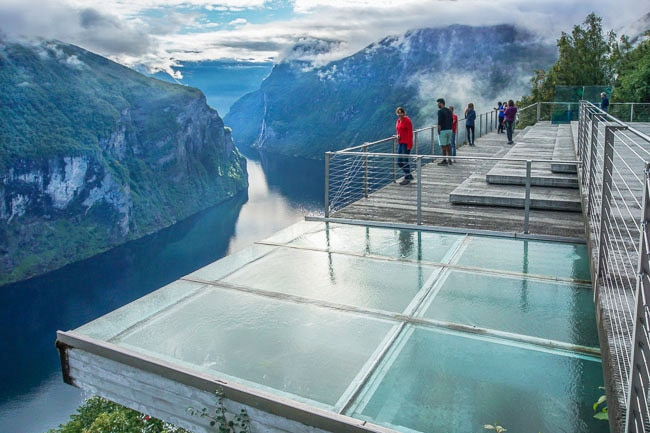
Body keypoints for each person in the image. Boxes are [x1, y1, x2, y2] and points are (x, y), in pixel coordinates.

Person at [395, 106, 414, 185]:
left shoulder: (407, 121)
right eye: (398, 113)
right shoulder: (398, 121)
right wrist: (397, 136)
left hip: (406, 143)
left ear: (404, 113)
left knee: (405, 161)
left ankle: (407, 177)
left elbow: (410, 133)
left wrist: (409, 145)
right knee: (399, 161)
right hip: (400, 142)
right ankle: (408, 175)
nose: (400, 115)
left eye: (401, 113)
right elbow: (398, 130)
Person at [436, 98, 453, 165]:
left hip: (443, 130)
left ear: (441, 103)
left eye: (438, 103)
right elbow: (451, 120)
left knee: (443, 146)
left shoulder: (440, 111)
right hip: (449, 129)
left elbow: (439, 122)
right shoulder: (449, 110)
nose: (437, 104)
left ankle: (444, 160)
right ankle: (449, 159)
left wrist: (438, 131)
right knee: (448, 145)